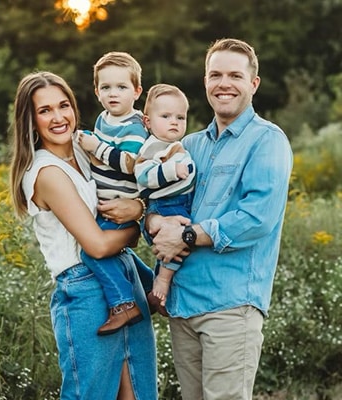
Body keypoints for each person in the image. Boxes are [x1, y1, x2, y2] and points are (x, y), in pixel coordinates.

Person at [145, 38, 293, 400]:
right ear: (205, 81)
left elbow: (257, 218)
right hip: (182, 305)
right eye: (215, 74)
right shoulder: (188, 145)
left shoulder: (267, 141)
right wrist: (152, 224)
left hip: (231, 307)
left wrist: (188, 236)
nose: (223, 83)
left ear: (253, 83)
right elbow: (157, 200)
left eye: (234, 75)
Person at [9, 71, 157, 400]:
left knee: (136, 392)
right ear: (30, 120)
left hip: (123, 278)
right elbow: (98, 245)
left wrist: (139, 205)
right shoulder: (46, 172)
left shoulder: (85, 149)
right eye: (44, 110)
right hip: (85, 289)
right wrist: (138, 221)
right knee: (90, 394)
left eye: (64, 105)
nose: (59, 117)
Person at [76, 51, 154, 335]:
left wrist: (96, 148)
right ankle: (149, 285)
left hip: (121, 203)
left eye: (121, 87)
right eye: (106, 87)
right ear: (97, 92)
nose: (113, 94)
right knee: (115, 251)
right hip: (107, 202)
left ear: (136, 91)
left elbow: (129, 164)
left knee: (92, 250)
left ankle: (124, 303)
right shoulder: (103, 118)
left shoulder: (134, 126)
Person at [134, 83, 195, 309]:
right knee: (179, 243)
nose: (174, 122)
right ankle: (162, 280)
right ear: (148, 122)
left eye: (180, 117)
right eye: (166, 116)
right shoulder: (152, 147)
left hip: (178, 202)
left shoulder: (174, 144)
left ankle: (159, 293)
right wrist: (171, 171)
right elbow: (142, 174)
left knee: (176, 243)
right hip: (167, 204)